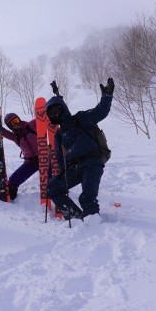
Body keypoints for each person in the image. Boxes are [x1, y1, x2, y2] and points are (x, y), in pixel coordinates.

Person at [46, 78, 114, 226]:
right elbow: (59, 157)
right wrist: (61, 176)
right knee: (53, 187)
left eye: (57, 109)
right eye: (51, 113)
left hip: (92, 162)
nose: (55, 114)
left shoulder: (81, 118)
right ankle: (77, 219)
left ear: (63, 108)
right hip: (74, 166)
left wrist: (106, 97)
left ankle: (93, 225)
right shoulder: (59, 134)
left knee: (87, 198)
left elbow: (100, 112)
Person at [0, 113, 38, 201]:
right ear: (10, 126)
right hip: (30, 163)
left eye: (16, 120)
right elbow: (2, 131)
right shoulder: (14, 136)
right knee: (12, 181)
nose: (16, 124)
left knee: (53, 179)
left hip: (44, 158)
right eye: (12, 123)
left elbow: (43, 118)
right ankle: (11, 201)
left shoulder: (31, 125)